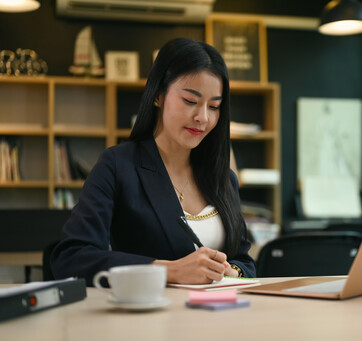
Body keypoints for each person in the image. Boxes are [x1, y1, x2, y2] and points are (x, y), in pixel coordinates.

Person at [50, 37, 256, 286]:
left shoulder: (224, 178)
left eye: (214, 106)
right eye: (190, 101)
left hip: (223, 316)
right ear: (158, 95)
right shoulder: (118, 165)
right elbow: (71, 259)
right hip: (151, 318)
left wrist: (230, 271)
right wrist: (168, 271)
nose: (202, 117)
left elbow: (245, 262)